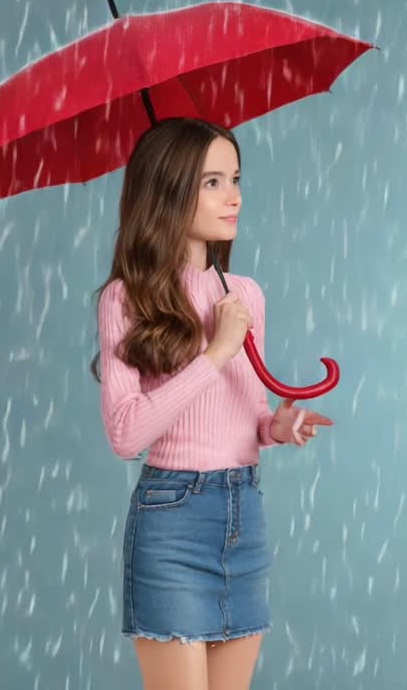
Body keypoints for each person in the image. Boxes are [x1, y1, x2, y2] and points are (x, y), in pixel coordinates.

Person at [91, 117, 333, 690]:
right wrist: (215, 352)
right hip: (171, 519)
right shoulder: (126, 299)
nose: (235, 196)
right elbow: (126, 433)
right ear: (169, 190)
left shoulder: (244, 294)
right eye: (212, 182)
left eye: (236, 178)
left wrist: (276, 425)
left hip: (242, 515)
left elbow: (244, 413)